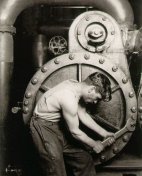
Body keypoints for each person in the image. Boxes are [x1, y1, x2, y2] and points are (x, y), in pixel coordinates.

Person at [30, 72, 115, 176]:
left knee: (84, 160)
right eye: (97, 98)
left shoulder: (75, 86)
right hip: (43, 128)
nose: (95, 102)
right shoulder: (68, 97)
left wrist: (104, 133)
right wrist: (94, 144)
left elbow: (83, 114)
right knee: (56, 169)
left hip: (57, 126)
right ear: (91, 89)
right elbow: (74, 131)